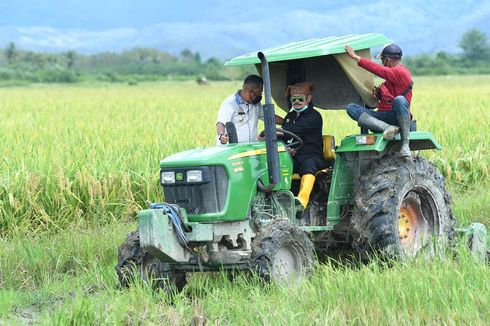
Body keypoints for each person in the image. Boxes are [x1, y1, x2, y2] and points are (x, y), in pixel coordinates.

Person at [344, 44, 413, 157]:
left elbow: (379, 70)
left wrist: (356, 57)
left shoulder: (401, 72)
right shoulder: (389, 81)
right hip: (383, 120)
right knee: (351, 108)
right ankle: (388, 129)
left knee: (400, 100)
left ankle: (405, 145)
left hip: (396, 116)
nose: (382, 63)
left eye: (381, 60)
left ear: (387, 60)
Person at [281, 81, 325, 209]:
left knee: (308, 165)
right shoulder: (290, 116)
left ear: (308, 99)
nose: (297, 102)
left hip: (312, 155)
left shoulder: (315, 116)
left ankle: (301, 202)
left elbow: (291, 131)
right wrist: (287, 149)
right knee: (279, 164)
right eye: (294, 99)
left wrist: (276, 132)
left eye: (300, 99)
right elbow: (287, 135)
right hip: (294, 156)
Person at [216, 75, 283, 144]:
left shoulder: (256, 105)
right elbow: (221, 123)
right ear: (250, 92)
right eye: (259, 94)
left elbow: (270, 117)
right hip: (233, 149)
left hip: (249, 149)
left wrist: (287, 122)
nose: (260, 96)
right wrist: (221, 136)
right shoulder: (230, 103)